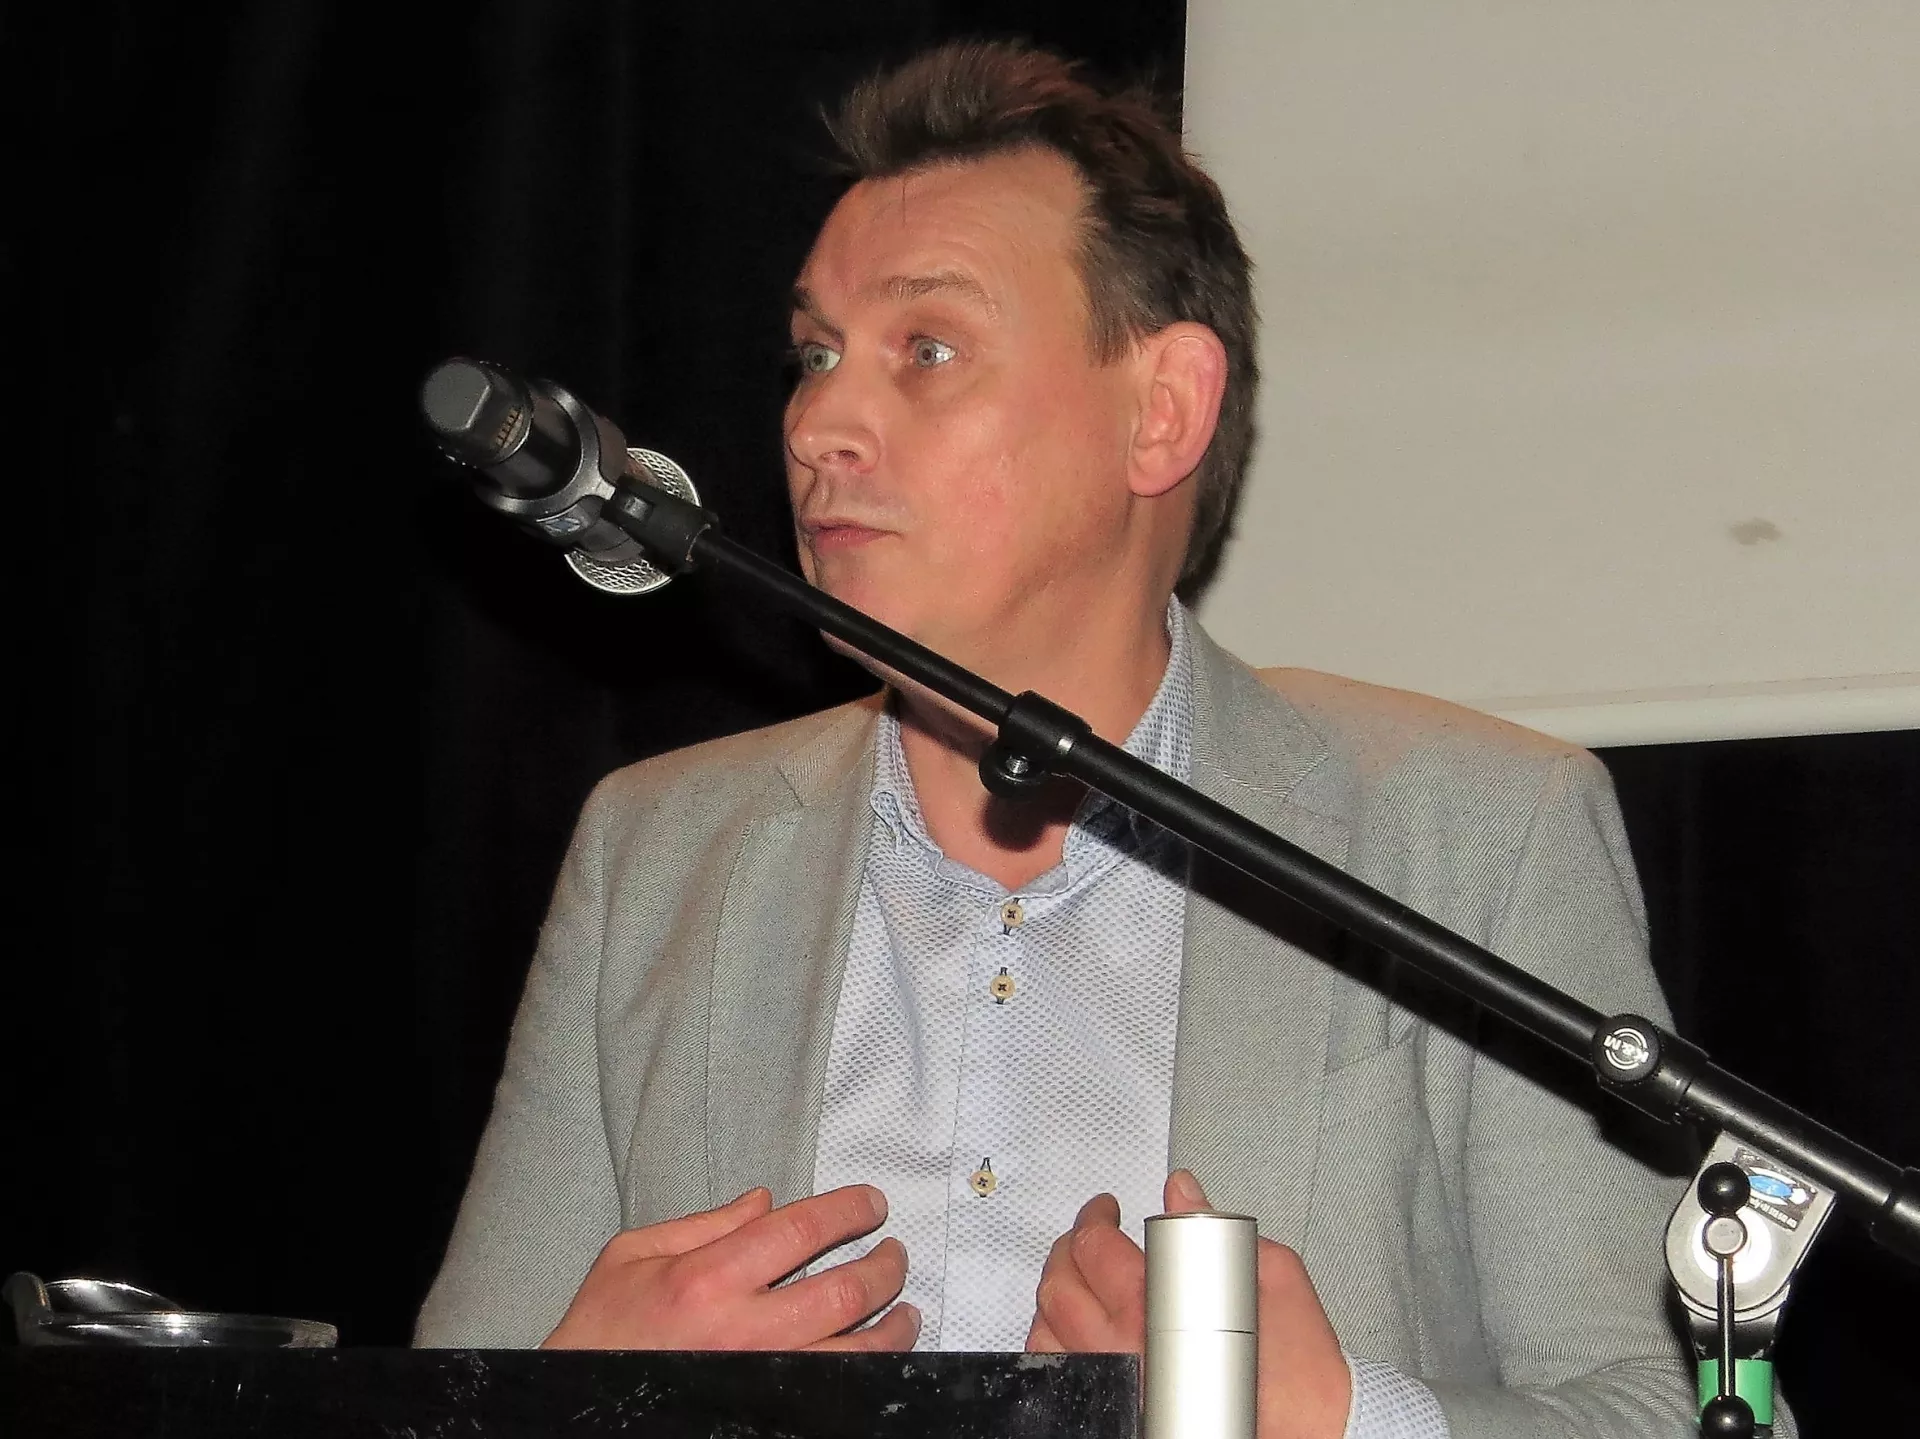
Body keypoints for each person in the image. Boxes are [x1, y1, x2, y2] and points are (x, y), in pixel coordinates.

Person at [417, 41, 1752, 1439]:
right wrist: (576, 1394)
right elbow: (432, 1405)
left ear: (1161, 411)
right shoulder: (658, 851)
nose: (820, 424)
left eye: (926, 349)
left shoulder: (1472, 831)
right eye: (815, 355)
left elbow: (1689, 1412)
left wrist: (1346, 1418)